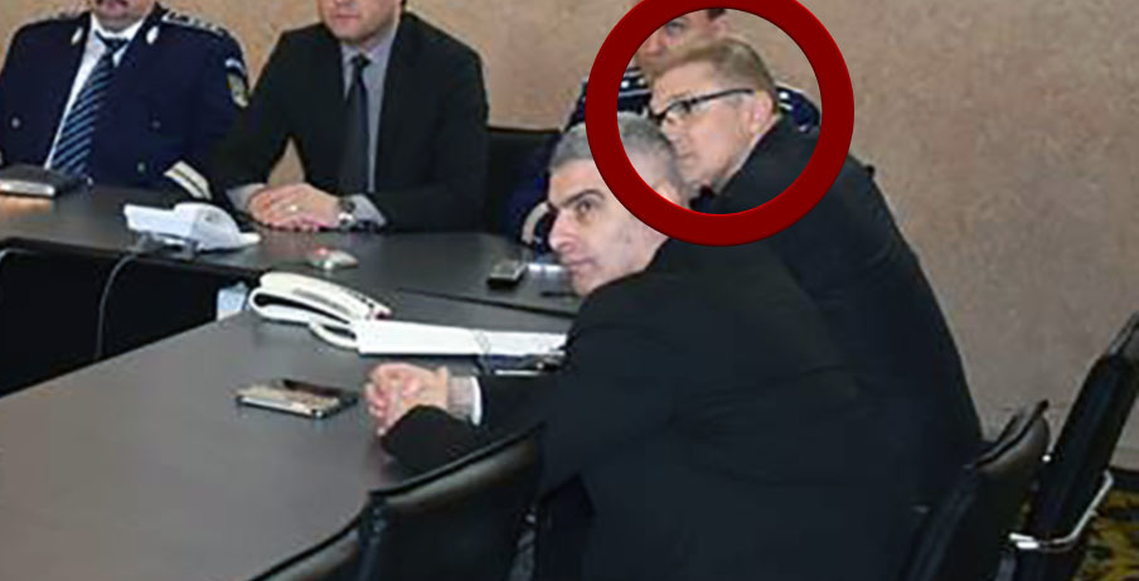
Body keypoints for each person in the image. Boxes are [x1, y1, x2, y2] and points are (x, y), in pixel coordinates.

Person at [366, 116, 917, 581]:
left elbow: (509, 484)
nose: (557, 236)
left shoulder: (639, 309)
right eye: (557, 212)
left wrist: (411, 422)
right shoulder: (729, 261)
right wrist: (461, 395)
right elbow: (592, 399)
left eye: (586, 208)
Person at [649, 36, 982, 509]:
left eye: (687, 108)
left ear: (754, 111)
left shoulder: (761, 197)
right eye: (661, 118)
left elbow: (679, 329)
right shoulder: (811, 160)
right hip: (934, 459)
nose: (670, 132)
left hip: (880, 488)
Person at [213, 0, 489, 232]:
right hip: (320, 250)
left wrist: (345, 211)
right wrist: (257, 200)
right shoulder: (298, 54)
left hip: (412, 249)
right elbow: (233, 161)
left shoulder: (449, 67)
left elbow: (461, 198)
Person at [506, 0, 819, 244]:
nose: (651, 46)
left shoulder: (781, 110)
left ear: (718, 31)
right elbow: (538, 200)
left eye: (674, 27)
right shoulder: (611, 99)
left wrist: (632, 237)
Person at [0, 0, 247, 199]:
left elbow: (221, 152)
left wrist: (145, 210)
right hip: (19, 207)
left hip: (132, 215)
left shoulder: (200, 53)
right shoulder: (38, 43)